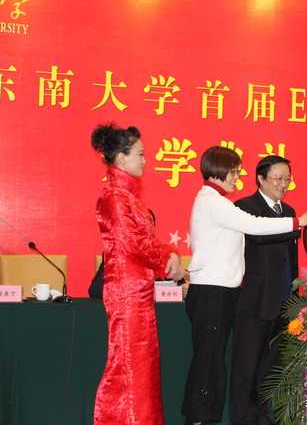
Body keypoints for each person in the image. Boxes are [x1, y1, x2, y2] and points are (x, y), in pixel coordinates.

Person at [181, 146, 307, 425]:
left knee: (213, 362)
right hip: (215, 290)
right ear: (219, 170)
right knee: (210, 363)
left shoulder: (217, 201)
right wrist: (300, 221)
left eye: (287, 178)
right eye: (233, 171)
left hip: (226, 291)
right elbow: (255, 227)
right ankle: (201, 419)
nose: (237, 177)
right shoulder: (216, 202)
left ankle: (207, 417)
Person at [91, 122, 186, 425]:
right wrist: (167, 258)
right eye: (140, 154)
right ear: (121, 158)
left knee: (142, 366)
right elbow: (133, 244)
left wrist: (169, 256)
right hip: (125, 292)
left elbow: (144, 241)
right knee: (129, 365)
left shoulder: (127, 196)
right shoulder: (114, 197)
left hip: (138, 289)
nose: (145, 160)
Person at [230, 155, 299, 425]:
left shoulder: (289, 211)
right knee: (246, 368)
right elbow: (257, 237)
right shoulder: (245, 207)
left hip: (283, 303)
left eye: (287, 179)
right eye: (278, 178)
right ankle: (243, 420)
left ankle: (259, 417)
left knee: (269, 370)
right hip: (255, 301)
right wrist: (299, 224)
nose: (283, 184)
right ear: (260, 178)